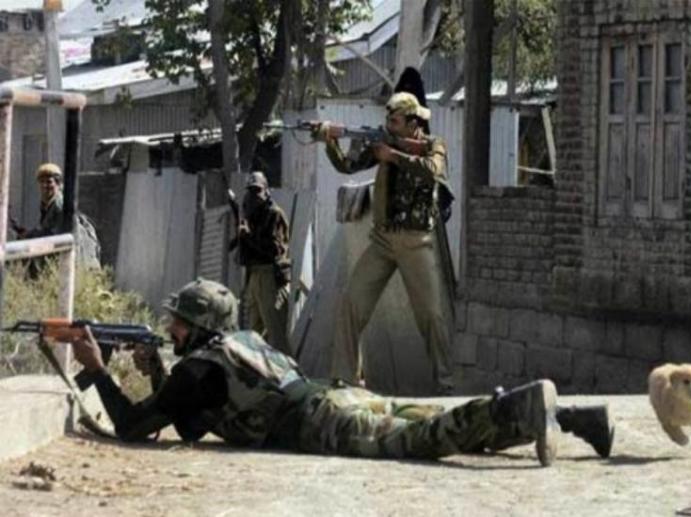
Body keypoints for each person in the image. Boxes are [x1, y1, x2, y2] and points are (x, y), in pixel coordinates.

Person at [67, 279, 615, 465]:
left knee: (428, 437)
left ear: (200, 327)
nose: (172, 329)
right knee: (436, 421)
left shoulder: (198, 369)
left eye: (180, 323)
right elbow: (191, 419)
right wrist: (159, 370)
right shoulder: (240, 343)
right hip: (337, 397)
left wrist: (95, 370)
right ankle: (571, 417)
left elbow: (134, 427)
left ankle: (526, 405)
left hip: (324, 421)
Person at [313, 92, 455, 393]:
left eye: (395, 121)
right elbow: (348, 166)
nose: (389, 126)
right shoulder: (383, 142)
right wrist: (328, 140)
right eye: (388, 121)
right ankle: (344, 378)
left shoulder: (434, 145)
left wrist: (394, 156)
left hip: (415, 241)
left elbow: (434, 170)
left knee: (431, 315)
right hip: (382, 240)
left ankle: (445, 384)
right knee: (352, 303)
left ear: (413, 123)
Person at [229, 171, 291, 355]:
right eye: (251, 191)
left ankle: (286, 372)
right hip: (254, 275)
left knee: (276, 336)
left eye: (257, 190)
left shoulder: (274, 214)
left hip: (269, 276)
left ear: (266, 191)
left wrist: (248, 235)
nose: (254, 195)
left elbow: (274, 251)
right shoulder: (253, 215)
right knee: (252, 337)